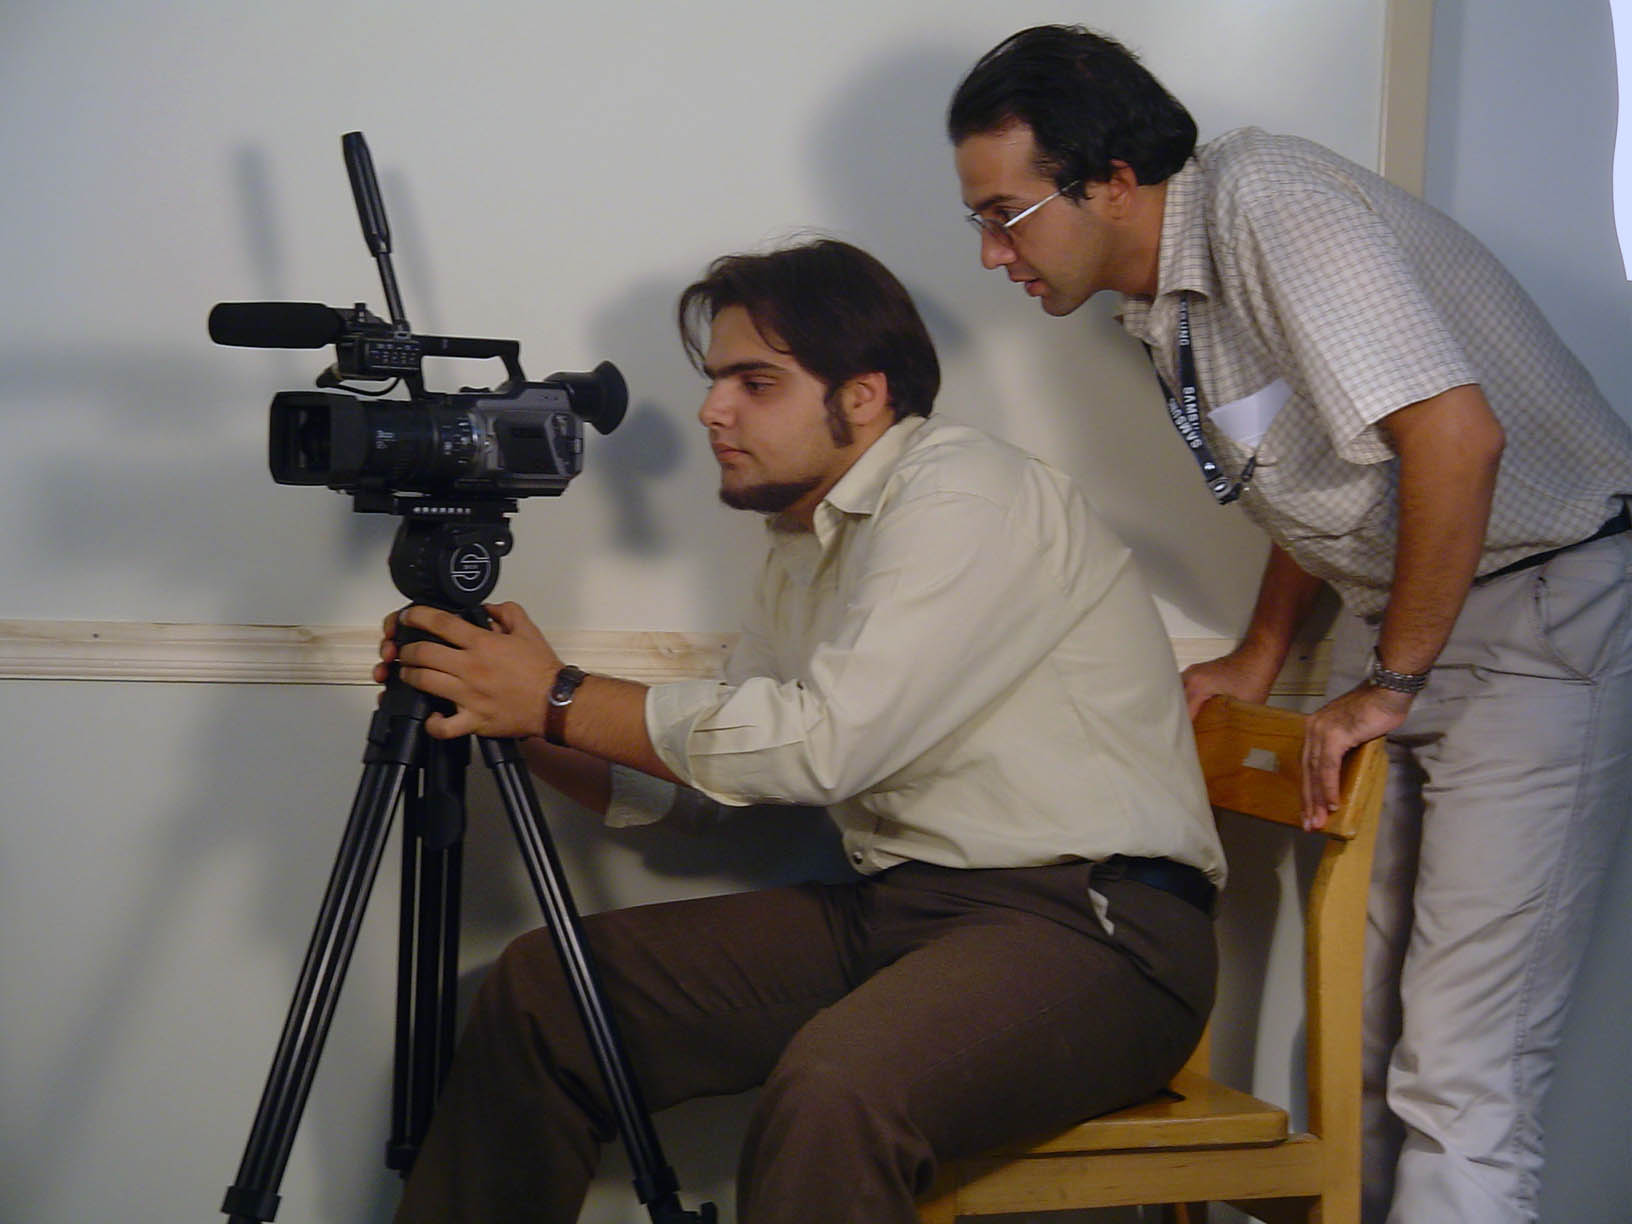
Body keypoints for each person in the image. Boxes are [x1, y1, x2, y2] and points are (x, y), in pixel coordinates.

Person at [376, 237, 1226, 1224]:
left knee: (837, 1093)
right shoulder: (803, 537)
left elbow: (821, 748)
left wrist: (559, 694)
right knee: (548, 990)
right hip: (902, 910)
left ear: (861, 397)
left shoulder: (966, 497)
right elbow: (705, 788)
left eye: (755, 382)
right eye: (715, 381)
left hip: (1098, 933)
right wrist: (509, 711)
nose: (712, 411)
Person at [948, 24, 1632, 1224]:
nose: (994, 253)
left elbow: (1458, 440)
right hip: (1411, 620)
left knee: (1461, 1078)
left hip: (1538, 614)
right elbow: (1330, 479)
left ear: (1113, 179)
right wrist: (1263, 654)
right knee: (1362, 1054)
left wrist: (1391, 681)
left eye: (1007, 215)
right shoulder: (1166, 300)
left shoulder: (1271, 204)